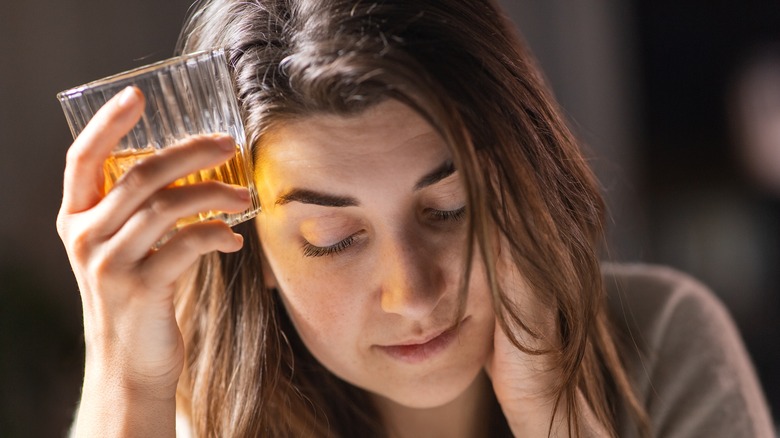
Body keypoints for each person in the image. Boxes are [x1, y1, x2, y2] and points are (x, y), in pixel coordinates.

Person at [57, 0, 775, 436]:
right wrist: (126, 377)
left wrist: (555, 417)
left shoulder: (662, 343)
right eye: (332, 241)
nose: (416, 293)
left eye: (448, 209)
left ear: (520, 185)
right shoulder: (191, 419)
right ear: (256, 253)